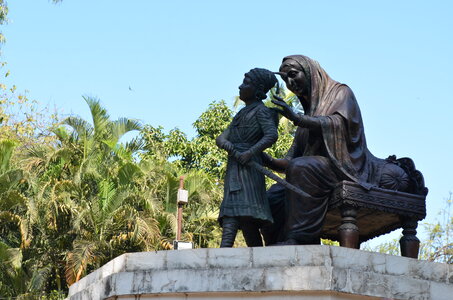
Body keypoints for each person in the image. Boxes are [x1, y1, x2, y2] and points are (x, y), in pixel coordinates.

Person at [261, 55, 410, 245]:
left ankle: (300, 238)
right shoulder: (308, 114)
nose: (290, 83)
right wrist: (263, 158)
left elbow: (339, 123)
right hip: (311, 173)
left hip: (345, 168)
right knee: (272, 197)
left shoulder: (341, 92)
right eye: (285, 79)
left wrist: (298, 118)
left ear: (309, 71)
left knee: (303, 168)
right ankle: (275, 246)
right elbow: (290, 161)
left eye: (293, 75)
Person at [216, 68, 279, 247]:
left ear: (258, 89)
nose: (240, 86)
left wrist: (250, 152)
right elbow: (221, 137)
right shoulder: (241, 113)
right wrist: (225, 143)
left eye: (246, 83)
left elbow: (271, 135)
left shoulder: (261, 111)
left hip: (249, 167)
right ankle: (231, 250)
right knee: (239, 215)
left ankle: (225, 249)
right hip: (236, 165)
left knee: (245, 215)